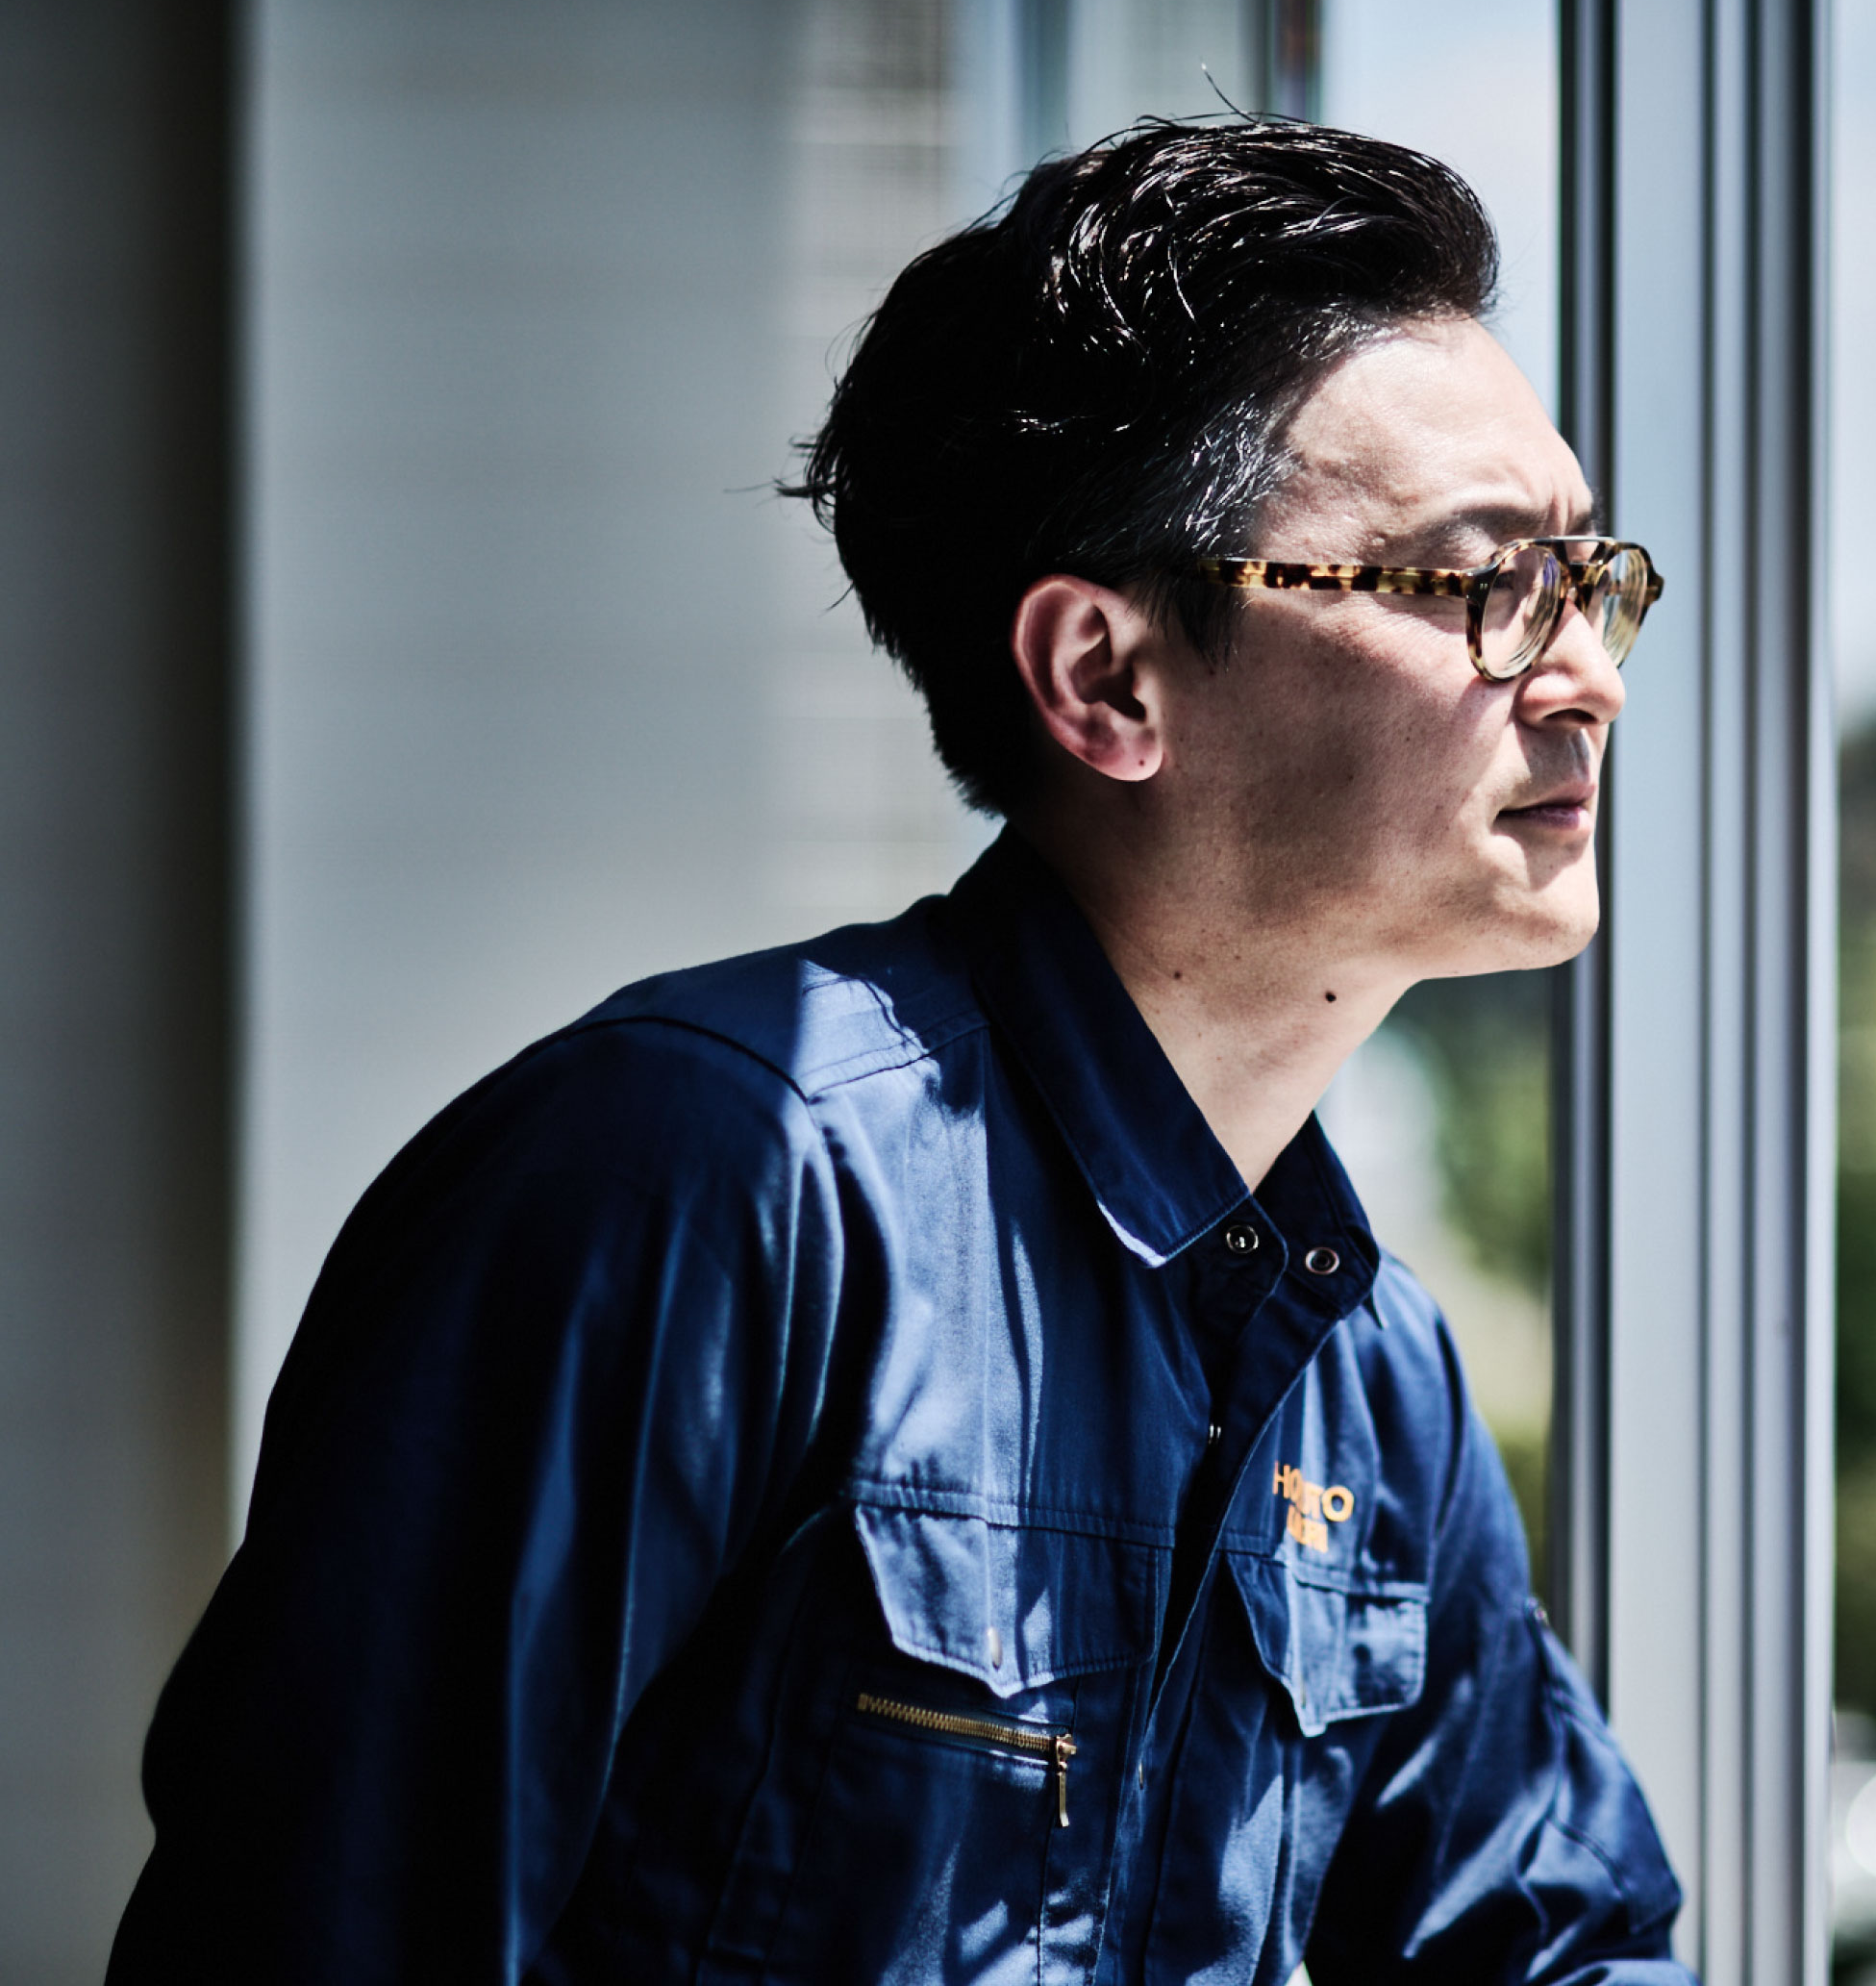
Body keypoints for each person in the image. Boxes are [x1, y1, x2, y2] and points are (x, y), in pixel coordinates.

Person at [108, 118, 1684, 1985]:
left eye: (1588, 580)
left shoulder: (1364, 1360)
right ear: (1106, 676)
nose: (1587, 671)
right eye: (1482, 585)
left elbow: (1554, 1943)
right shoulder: (702, 1176)